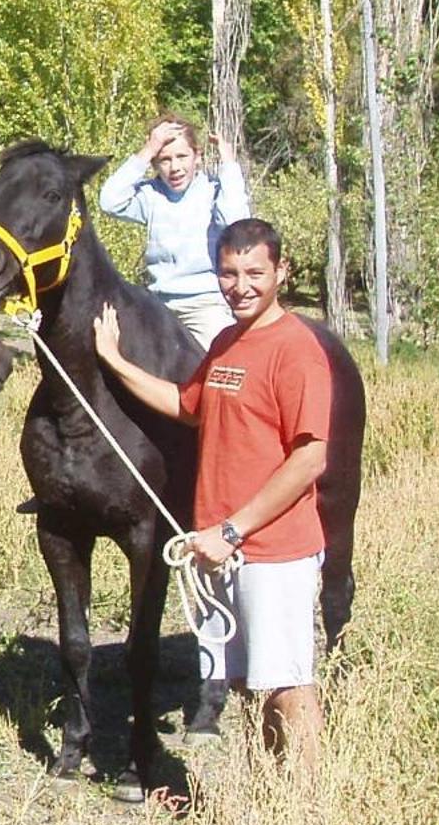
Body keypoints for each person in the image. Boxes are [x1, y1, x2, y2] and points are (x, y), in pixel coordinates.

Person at [90, 217, 330, 773]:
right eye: (228, 273)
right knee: (247, 683)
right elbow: (187, 405)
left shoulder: (296, 350)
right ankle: (271, 795)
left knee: (288, 684)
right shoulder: (226, 343)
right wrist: (115, 362)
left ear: (281, 273)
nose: (240, 285)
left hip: (272, 551)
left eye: (254, 272)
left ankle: (312, 807)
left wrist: (232, 529)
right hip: (220, 550)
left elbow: (309, 456)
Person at [97, 114, 250, 347]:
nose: (175, 167)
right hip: (158, 305)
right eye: (164, 160)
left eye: (182, 156)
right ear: (155, 164)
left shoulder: (213, 191)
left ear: (197, 156)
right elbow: (109, 200)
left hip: (205, 305)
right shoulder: (150, 195)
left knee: (216, 366)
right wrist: (148, 149)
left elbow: (236, 222)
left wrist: (229, 164)